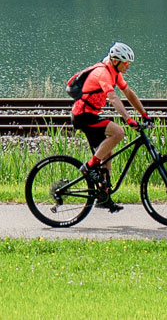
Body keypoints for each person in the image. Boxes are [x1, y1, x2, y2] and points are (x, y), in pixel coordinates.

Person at [66, 41, 149, 210]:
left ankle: (104, 198)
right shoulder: (102, 73)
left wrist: (144, 114)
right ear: (115, 60)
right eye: (125, 63)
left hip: (90, 115)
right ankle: (88, 167)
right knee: (118, 132)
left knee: (107, 155)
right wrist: (128, 119)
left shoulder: (115, 73)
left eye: (129, 63)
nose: (127, 66)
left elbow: (129, 94)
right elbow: (113, 98)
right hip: (83, 115)